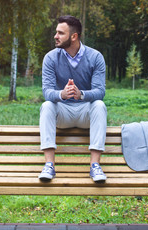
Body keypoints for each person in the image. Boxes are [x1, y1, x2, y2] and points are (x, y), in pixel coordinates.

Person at [38, 15, 107, 182]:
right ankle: (49, 165)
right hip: (62, 113)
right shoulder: (50, 58)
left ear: (74, 36)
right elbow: (47, 92)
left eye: (61, 33)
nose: (56, 36)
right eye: (56, 32)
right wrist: (61, 94)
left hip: (85, 113)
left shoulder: (95, 57)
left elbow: (100, 91)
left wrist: (81, 94)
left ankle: (95, 166)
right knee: (47, 105)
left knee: (99, 105)